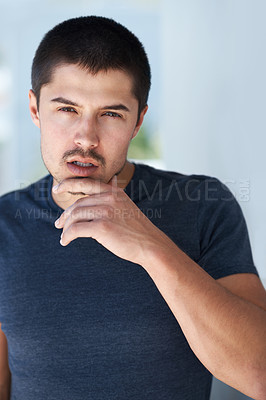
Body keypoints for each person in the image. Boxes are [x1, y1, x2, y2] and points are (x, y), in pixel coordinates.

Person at [0, 16, 265, 400]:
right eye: (67, 109)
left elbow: (259, 376)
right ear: (35, 108)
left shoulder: (204, 205)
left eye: (111, 114)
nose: (86, 138)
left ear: (138, 120)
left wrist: (150, 247)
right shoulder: (5, 225)